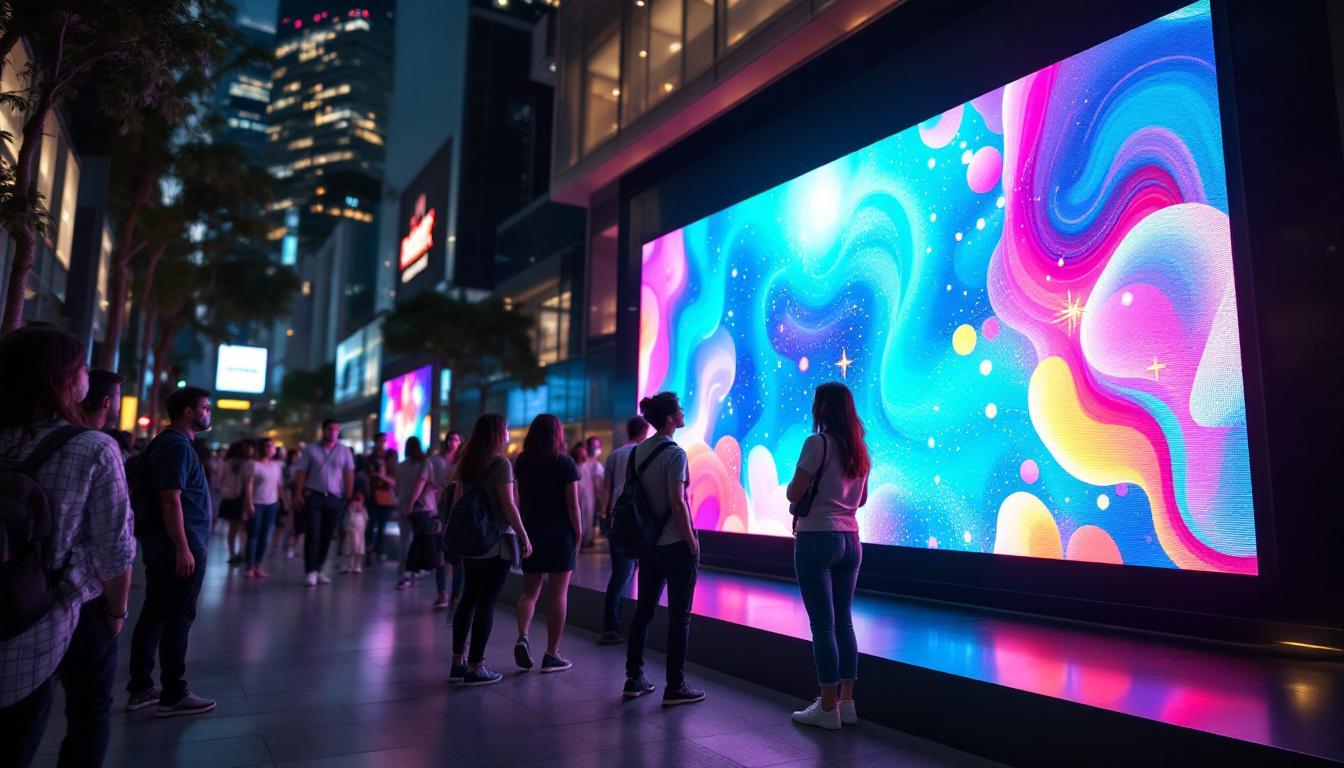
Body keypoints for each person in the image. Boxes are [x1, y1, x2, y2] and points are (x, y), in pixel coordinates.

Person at [0, 326, 136, 768]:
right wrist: (116, 611)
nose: (85, 377)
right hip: (63, 613)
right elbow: (115, 549)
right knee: (88, 712)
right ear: (63, 379)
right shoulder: (95, 448)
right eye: (80, 368)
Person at [126, 385, 217, 717]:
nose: (209, 413)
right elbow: (170, 499)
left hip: (166, 541)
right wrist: (183, 547)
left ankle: (141, 687)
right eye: (205, 408)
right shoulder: (177, 446)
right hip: (179, 542)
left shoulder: (168, 443)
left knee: (156, 612)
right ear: (189, 412)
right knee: (178, 617)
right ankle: (174, 692)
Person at [786, 382, 871, 730]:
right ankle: (847, 703)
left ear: (822, 409)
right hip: (851, 540)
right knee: (844, 621)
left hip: (816, 538)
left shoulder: (816, 443)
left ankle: (827, 707)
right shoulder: (860, 449)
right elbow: (862, 500)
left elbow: (794, 492)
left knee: (822, 625)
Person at [623, 392, 705, 706]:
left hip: (648, 544)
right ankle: (675, 685)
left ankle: (634, 677)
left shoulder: (638, 451)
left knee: (644, 612)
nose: (684, 412)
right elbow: (677, 501)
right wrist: (691, 540)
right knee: (679, 618)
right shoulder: (676, 453)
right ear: (671, 417)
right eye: (680, 409)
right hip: (674, 544)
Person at [449, 414, 532, 687]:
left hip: (470, 541)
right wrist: (524, 536)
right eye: (506, 428)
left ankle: (458, 661)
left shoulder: (467, 463)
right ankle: (477, 666)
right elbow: (508, 506)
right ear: (498, 433)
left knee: (468, 598)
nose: (509, 432)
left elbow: (458, 501)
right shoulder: (501, 464)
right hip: (494, 541)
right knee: (487, 601)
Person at [512, 414, 581, 673]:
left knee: (529, 592)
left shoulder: (523, 462)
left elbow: (518, 497)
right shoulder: (565, 463)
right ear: (558, 434)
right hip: (560, 533)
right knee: (558, 594)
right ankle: (552, 654)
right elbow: (573, 504)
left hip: (531, 532)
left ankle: (523, 636)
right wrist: (579, 532)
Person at [595, 415, 649, 645]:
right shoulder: (642, 453)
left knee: (620, 572)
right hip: (637, 520)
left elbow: (605, 489)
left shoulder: (615, 454)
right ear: (643, 432)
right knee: (626, 573)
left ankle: (614, 623)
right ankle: (611, 625)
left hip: (617, 519)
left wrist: (603, 515)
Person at [292, 419, 355, 588]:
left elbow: (349, 473)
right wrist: (298, 494)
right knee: (313, 534)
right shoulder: (310, 450)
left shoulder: (344, 451)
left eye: (336, 429)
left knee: (328, 535)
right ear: (323, 430)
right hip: (314, 496)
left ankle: (319, 568)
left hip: (335, 497)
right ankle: (310, 571)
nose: (333, 432)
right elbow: (301, 472)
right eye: (330, 429)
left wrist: (349, 495)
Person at [393, 437, 437, 591]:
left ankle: (403, 573)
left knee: (404, 541)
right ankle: (412, 574)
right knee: (417, 542)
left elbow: (397, 487)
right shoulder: (426, 464)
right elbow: (425, 485)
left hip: (403, 506)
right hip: (421, 507)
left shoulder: (401, 466)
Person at [242, 437, 282, 579]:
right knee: (253, 536)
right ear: (261, 448)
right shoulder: (254, 465)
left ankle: (258, 566)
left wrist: (283, 502)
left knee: (265, 537)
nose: (271, 449)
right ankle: (249, 567)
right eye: (268, 446)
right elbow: (249, 485)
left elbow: (278, 485)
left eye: (272, 446)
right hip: (257, 503)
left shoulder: (276, 465)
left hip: (272, 504)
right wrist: (249, 503)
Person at [437, 432, 465, 609]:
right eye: (449, 439)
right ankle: (443, 594)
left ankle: (455, 595)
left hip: (458, 509)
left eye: (455, 439)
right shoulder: (439, 460)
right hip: (442, 506)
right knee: (441, 554)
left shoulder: (464, 461)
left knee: (458, 556)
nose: (451, 443)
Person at [217, 441, 253, 565]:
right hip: (232, 499)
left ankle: (240, 553)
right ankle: (234, 553)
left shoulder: (248, 464)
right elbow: (219, 481)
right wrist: (225, 490)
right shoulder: (227, 464)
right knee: (234, 528)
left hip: (243, 499)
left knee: (242, 529)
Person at [364, 452, 396, 565]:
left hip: (386, 501)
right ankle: (369, 550)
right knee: (371, 526)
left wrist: (382, 476)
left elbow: (394, 483)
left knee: (381, 527)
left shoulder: (391, 470)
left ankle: (377, 551)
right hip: (373, 500)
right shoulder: (371, 474)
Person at [571, 442, 597, 550]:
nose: (584, 455)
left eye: (584, 452)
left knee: (588, 518)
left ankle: (586, 540)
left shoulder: (589, 466)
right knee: (581, 518)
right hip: (579, 498)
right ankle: (579, 541)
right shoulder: (574, 467)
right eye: (581, 453)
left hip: (588, 498)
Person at [341, 491, 368, 574]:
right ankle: (347, 566)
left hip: (359, 534)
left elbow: (366, 520)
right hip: (351, 533)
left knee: (358, 550)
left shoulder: (363, 511)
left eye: (360, 502)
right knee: (349, 550)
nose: (357, 504)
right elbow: (347, 520)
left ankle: (357, 566)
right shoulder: (350, 509)